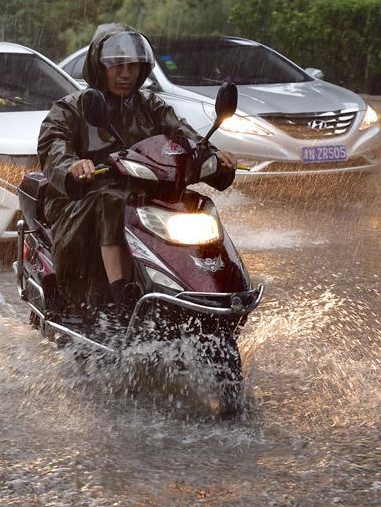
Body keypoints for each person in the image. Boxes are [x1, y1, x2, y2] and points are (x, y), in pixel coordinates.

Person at [38, 23, 237, 312]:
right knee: (112, 200)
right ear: (99, 66)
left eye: (133, 66)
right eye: (117, 66)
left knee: (196, 205)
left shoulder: (150, 105)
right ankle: (119, 295)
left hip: (145, 195)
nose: (125, 73)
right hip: (80, 201)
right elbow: (52, 146)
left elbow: (183, 134)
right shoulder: (73, 108)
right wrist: (73, 166)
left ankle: (215, 284)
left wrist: (214, 157)